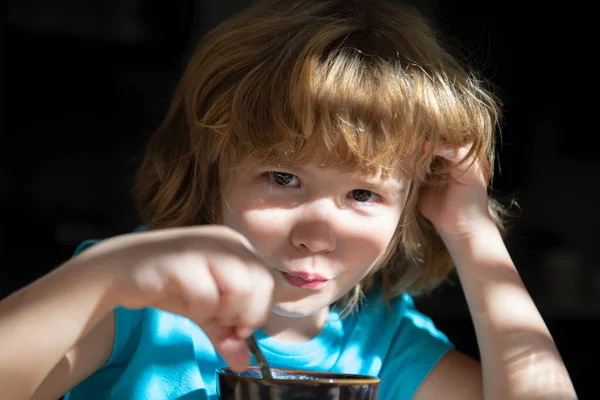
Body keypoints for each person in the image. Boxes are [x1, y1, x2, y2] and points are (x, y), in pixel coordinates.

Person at [0, 0, 577, 399]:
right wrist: (105, 275)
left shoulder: (385, 343)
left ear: (409, 209)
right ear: (212, 171)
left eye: (363, 193)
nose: (317, 234)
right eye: (281, 178)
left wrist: (473, 232)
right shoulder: (133, 305)